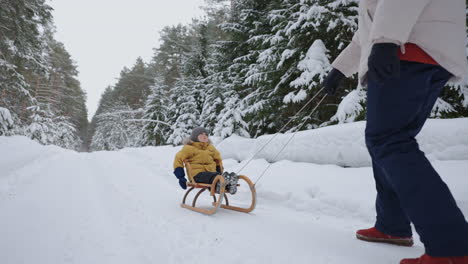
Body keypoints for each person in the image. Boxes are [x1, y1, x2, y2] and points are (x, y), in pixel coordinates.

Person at [323, 0, 468, 263]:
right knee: (389, 140)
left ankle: (450, 245)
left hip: (408, 47)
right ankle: (392, 224)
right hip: (420, 48)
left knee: (389, 141)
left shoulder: (391, 33)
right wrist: (339, 68)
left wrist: (387, 40)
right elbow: (368, 27)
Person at [173, 127, 238, 194]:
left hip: (212, 173)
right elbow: (178, 159)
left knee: (216, 175)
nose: (204, 136)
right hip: (197, 175)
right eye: (201, 134)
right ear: (195, 137)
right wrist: (181, 177)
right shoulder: (189, 148)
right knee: (214, 176)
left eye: (206, 135)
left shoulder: (211, 148)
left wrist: (219, 172)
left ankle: (229, 184)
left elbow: (218, 160)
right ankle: (221, 182)